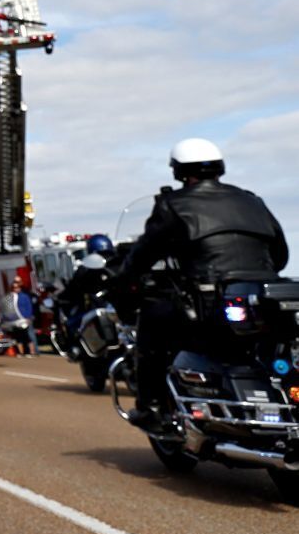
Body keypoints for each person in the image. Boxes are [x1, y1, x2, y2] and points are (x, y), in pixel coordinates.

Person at [120, 137, 288, 426]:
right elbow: (280, 254)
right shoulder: (251, 200)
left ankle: (151, 406)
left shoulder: (172, 205)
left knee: (152, 323)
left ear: (178, 171)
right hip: (261, 296)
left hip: (208, 300)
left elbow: (144, 253)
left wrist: (127, 278)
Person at [53, 235, 115, 353]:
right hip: (118, 308)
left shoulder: (86, 268)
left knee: (75, 323)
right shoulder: (119, 263)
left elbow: (73, 288)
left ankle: (76, 349)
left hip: (99, 308)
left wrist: (63, 297)